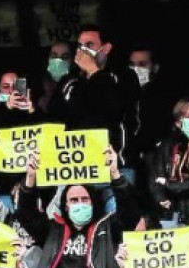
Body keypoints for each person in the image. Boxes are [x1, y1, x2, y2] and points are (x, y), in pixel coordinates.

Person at [17, 143, 140, 268]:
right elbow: (26, 214)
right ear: (66, 205)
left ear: (93, 203)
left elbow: (130, 214)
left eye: (85, 199)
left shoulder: (108, 229)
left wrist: (115, 174)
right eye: (74, 200)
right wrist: (30, 178)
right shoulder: (52, 230)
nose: (80, 204)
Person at [48, 25, 140, 175]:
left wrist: (94, 72)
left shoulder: (124, 76)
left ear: (106, 48)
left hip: (116, 166)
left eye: (89, 45)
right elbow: (54, 119)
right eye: (80, 46)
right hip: (77, 167)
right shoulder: (69, 81)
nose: (83, 50)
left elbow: (118, 109)